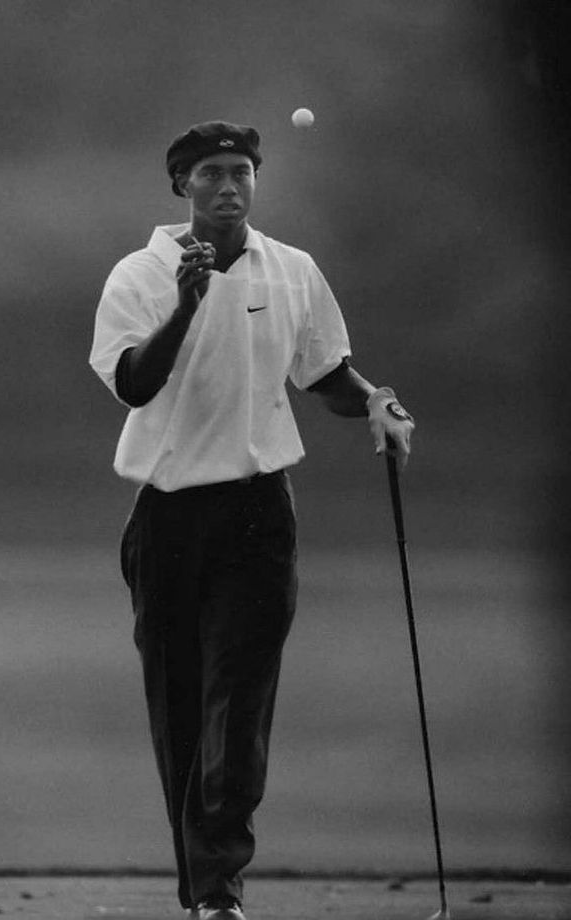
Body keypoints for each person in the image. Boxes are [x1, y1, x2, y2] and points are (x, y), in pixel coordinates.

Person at [89, 121, 415, 920]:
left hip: (258, 512)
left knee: (240, 701)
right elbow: (134, 383)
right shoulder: (139, 274)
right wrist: (187, 304)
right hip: (167, 516)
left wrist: (375, 400)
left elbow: (325, 373)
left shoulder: (293, 269)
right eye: (211, 173)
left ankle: (218, 892)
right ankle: (204, 890)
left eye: (242, 171)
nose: (229, 185)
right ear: (182, 186)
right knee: (181, 708)